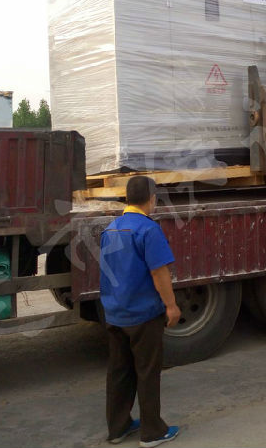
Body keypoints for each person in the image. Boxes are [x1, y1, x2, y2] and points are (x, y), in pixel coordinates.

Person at [100, 176, 182, 448]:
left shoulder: (110, 229)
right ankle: (153, 432)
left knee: (119, 372)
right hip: (143, 315)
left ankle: (118, 427)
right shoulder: (148, 230)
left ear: (127, 198)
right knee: (147, 372)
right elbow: (159, 272)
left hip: (115, 313)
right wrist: (171, 305)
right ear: (152, 199)